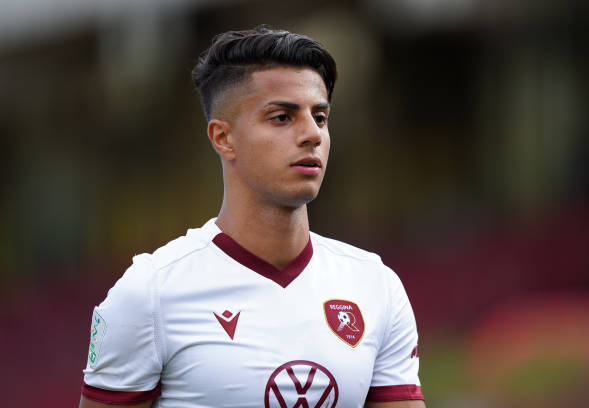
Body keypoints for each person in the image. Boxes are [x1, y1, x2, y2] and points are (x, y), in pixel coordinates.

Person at [79, 26, 425, 408]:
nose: (312, 134)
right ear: (223, 138)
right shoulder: (150, 293)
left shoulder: (375, 286)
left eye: (321, 117)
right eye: (282, 117)